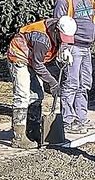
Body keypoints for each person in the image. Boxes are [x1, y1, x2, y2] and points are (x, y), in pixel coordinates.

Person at [6, 16, 76, 149]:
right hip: (19, 56)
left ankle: (33, 132)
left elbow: (61, 42)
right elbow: (37, 65)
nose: (64, 41)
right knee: (22, 96)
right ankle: (19, 137)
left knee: (38, 95)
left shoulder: (58, 28)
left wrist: (64, 50)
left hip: (32, 58)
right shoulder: (41, 39)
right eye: (62, 38)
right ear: (56, 30)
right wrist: (53, 82)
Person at [53, 0, 95, 134]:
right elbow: (59, 23)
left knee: (84, 84)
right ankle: (67, 120)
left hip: (86, 47)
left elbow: (92, 21)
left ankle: (81, 117)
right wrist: (65, 48)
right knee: (71, 84)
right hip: (74, 47)